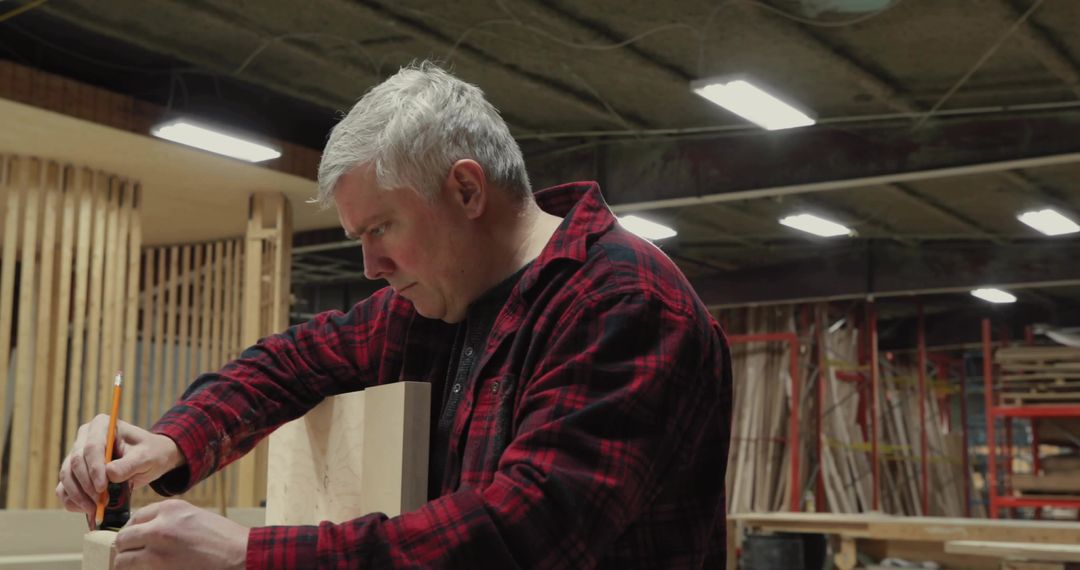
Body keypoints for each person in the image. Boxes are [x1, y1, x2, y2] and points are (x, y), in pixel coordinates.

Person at [57, 61, 733, 569]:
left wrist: (248, 552)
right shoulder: (436, 302)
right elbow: (289, 362)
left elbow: (520, 534)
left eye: (380, 228)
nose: (369, 266)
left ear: (466, 189)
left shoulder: (621, 302)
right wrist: (169, 442)